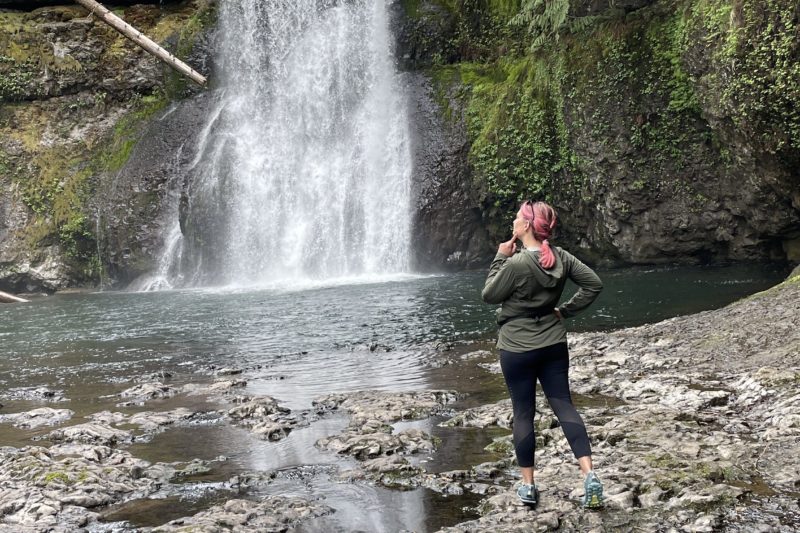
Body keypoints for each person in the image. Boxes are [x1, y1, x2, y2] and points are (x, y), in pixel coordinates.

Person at [481, 200, 604, 509]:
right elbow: (593, 284)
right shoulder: (560, 257)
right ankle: (589, 475)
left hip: (516, 346)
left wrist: (500, 256)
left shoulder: (516, 263)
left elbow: (489, 295)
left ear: (524, 227)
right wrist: (564, 311)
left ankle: (528, 486)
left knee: (524, 413)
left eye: (517, 218)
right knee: (564, 405)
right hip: (552, 343)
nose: (513, 221)